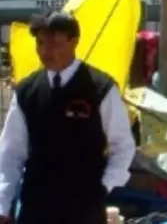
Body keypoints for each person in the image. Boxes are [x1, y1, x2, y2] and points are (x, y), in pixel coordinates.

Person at [0, 13, 136, 224]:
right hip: (36, 207)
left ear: (74, 42)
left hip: (84, 207)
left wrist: (103, 186)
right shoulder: (27, 91)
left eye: (54, 42)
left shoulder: (100, 88)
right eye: (40, 42)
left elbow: (123, 146)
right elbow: (11, 153)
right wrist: (4, 203)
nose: (45, 51)